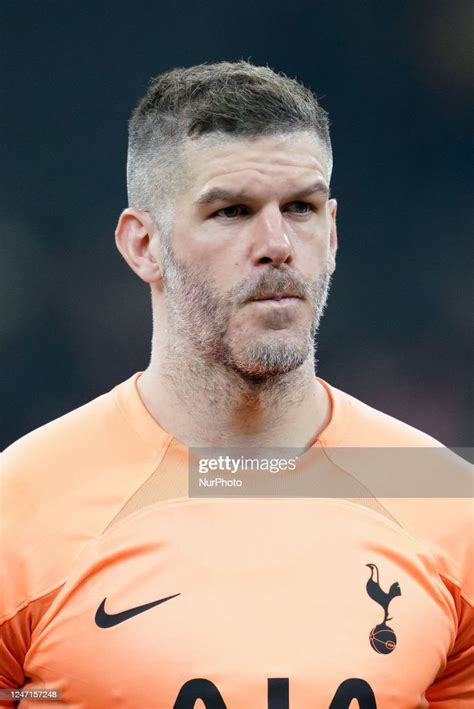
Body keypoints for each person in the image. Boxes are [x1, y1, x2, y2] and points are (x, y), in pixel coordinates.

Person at [1, 62, 472, 709]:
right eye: (232, 211)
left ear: (332, 234)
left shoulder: (444, 495)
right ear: (144, 245)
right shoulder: (19, 505)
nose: (277, 243)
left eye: (301, 208)